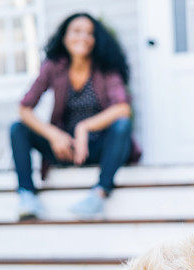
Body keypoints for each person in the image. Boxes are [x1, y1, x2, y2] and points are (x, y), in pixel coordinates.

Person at [10, 13, 142, 220]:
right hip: (66, 148)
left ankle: (99, 193)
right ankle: (26, 196)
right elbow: (25, 107)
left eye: (90, 33)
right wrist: (53, 135)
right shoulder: (54, 66)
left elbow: (122, 108)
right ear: (65, 36)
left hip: (99, 147)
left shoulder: (105, 67)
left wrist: (84, 128)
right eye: (77, 31)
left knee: (122, 125)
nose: (83, 37)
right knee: (18, 128)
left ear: (96, 40)